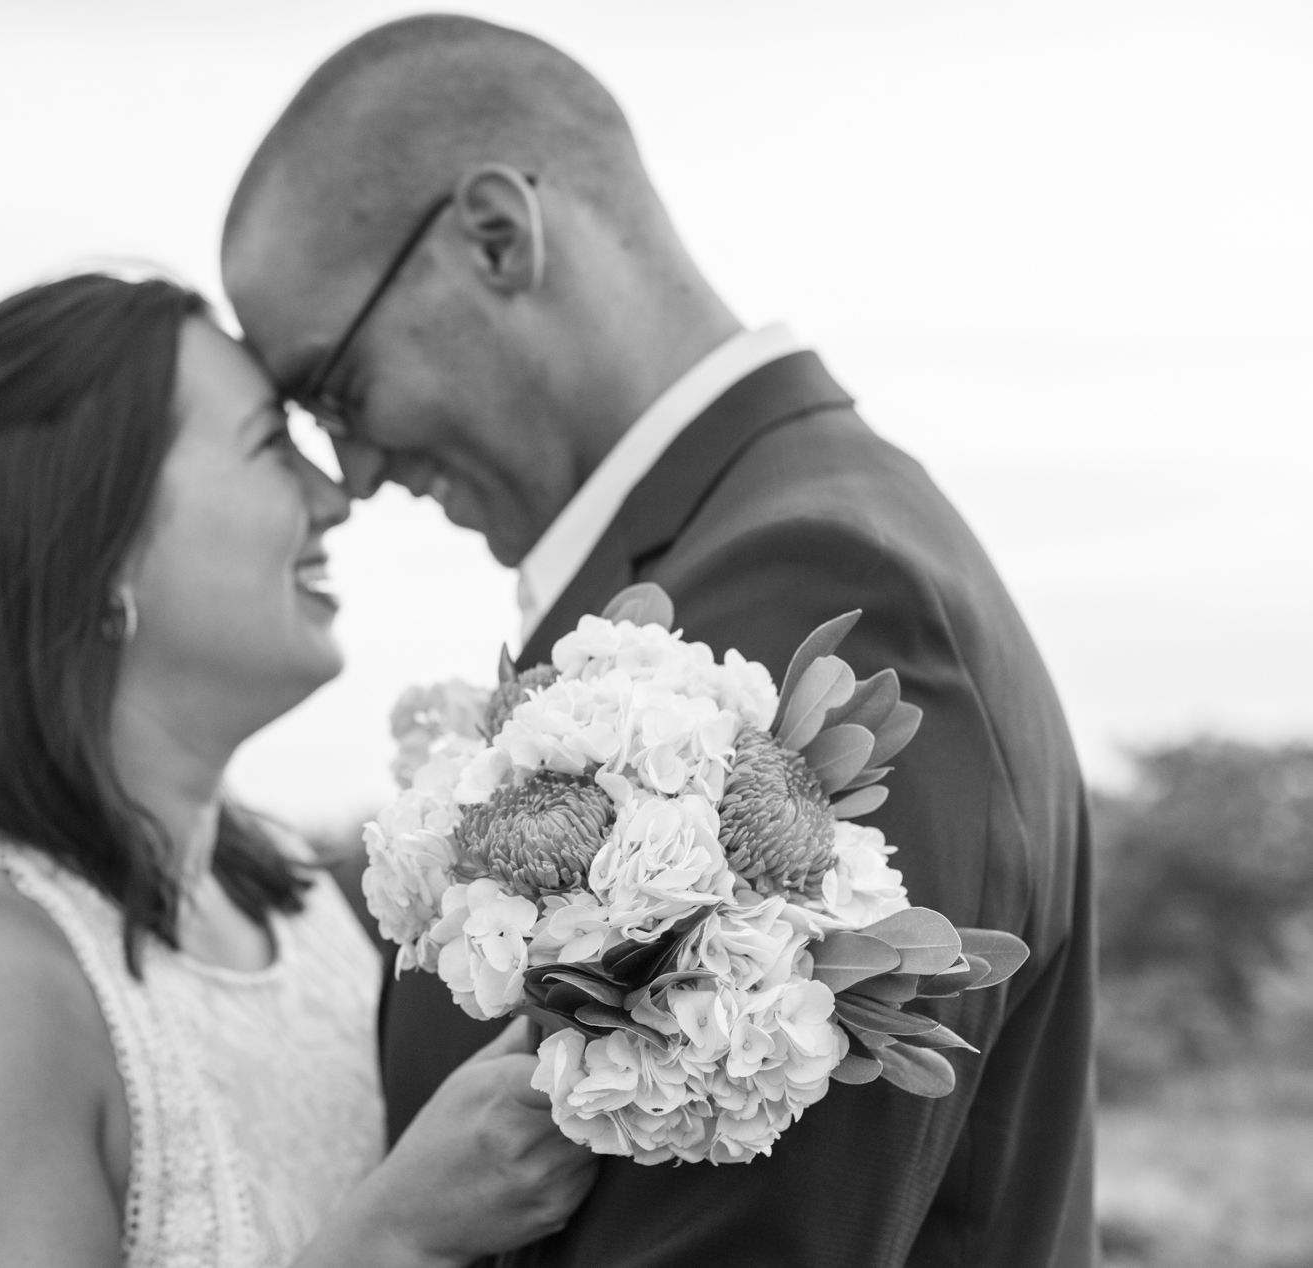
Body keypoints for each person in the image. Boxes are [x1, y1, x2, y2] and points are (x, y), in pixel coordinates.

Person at [223, 15, 1097, 1268]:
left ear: (495, 237)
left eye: (335, 391)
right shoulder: (765, 544)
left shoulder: (800, 593)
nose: (351, 474)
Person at [0, 274, 597, 1268]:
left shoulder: (295, 899)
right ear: (100, 549)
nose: (332, 495)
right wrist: (399, 1232)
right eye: (272, 445)